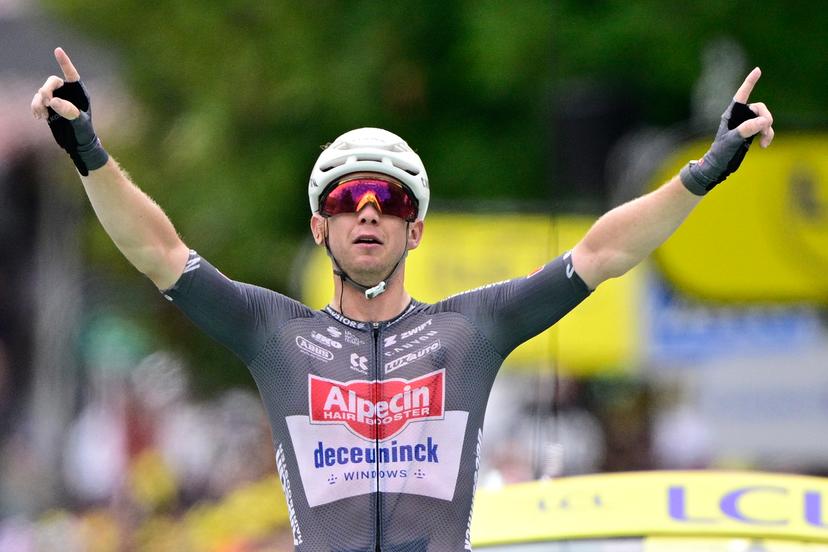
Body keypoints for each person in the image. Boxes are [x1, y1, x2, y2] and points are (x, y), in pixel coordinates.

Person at [32, 47, 774, 551]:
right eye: (347, 198)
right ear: (319, 226)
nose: (367, 213)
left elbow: (602, 251)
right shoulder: (272, 332)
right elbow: (157, 250)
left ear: (414, 228)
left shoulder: (474, 328)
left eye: (386, 199)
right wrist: (90, 154)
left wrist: (704, 173)